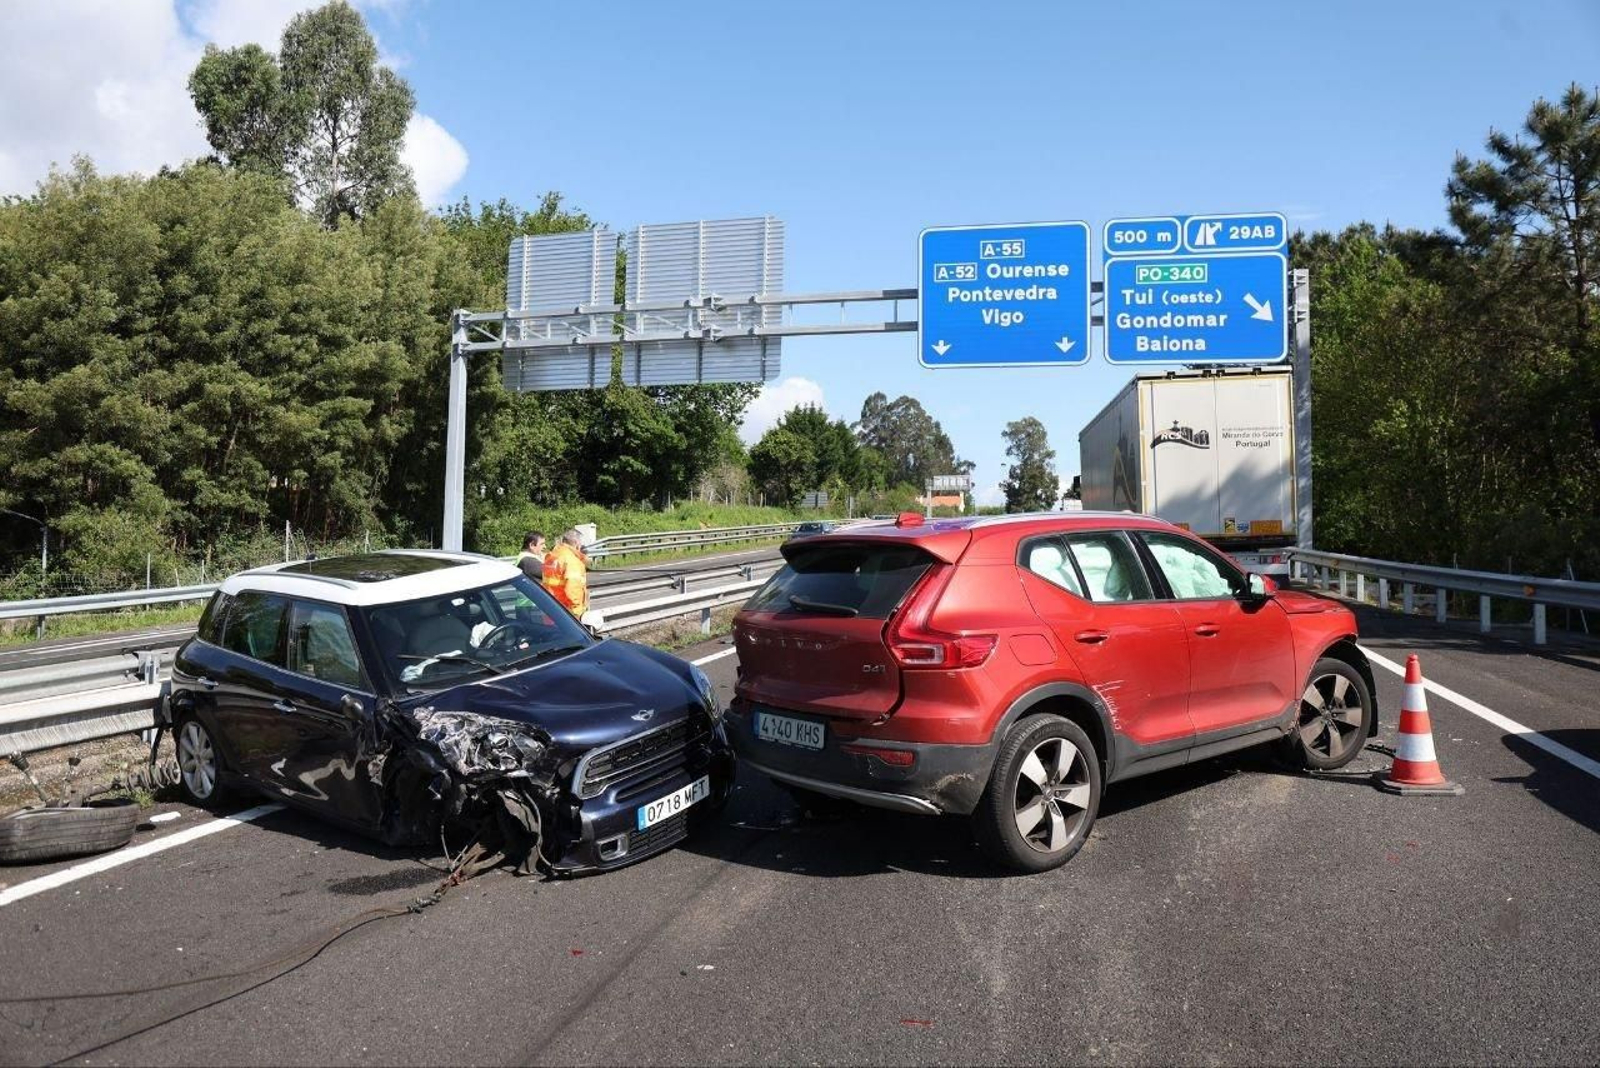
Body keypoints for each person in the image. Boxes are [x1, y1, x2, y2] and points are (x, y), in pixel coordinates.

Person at [542, 528, 590, 617]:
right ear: (576, 542)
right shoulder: (571, 560)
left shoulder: (552, 555)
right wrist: (577, 611)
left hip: (550, 607)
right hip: (566, 611)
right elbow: (573, 588)